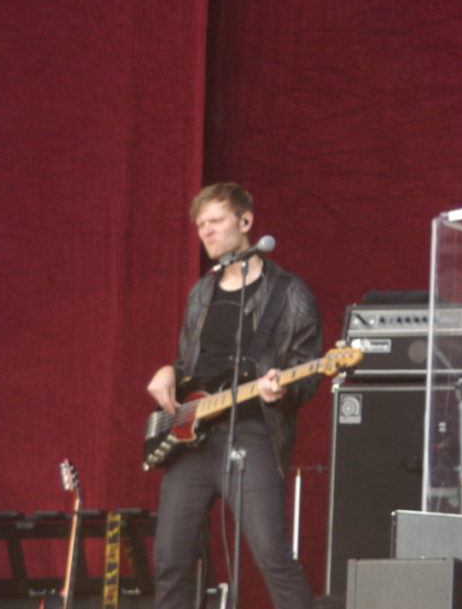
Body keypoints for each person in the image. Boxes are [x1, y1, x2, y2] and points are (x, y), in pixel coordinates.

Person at [146, 182, 322, 609]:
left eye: (215, 221)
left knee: (273, 556)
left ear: (245, 222)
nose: (205, 231)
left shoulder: (289, 292)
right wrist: (168, 371)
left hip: (252, 433)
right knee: (170, 561)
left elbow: (308, 371)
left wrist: (281, 391)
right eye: (200, 225)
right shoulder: (202, 291)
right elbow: (189, 364)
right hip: (192, 440)